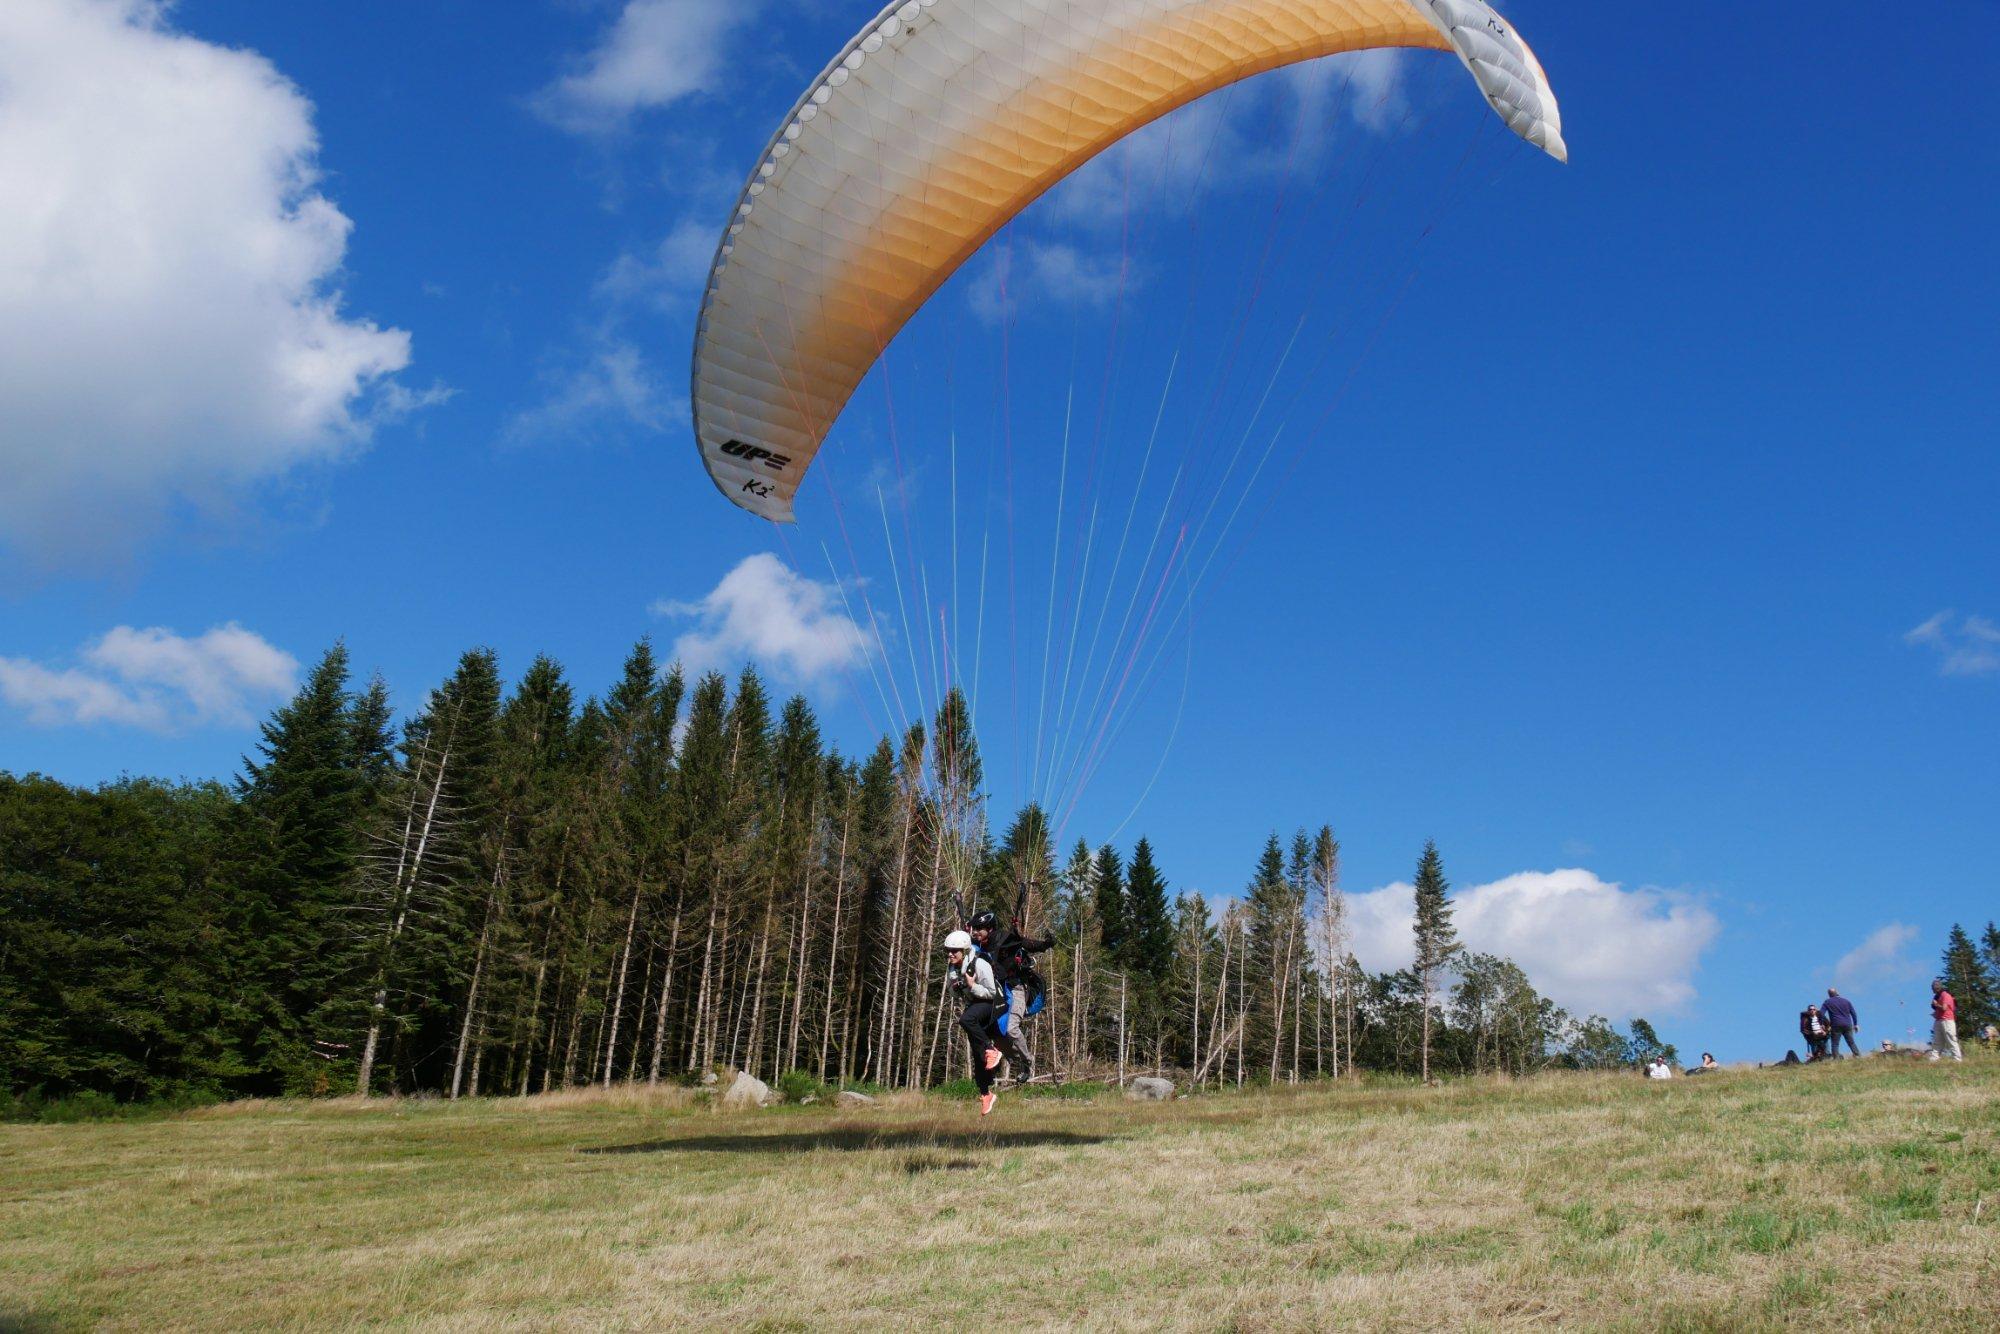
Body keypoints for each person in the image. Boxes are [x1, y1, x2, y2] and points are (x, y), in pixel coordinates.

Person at [967, 908, 1052, 1082]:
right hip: (997, 992)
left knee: (1012, 1029)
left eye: (979, 929)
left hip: (1016, 988)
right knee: (997, 1034)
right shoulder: (978, 945)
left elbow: (1024, 943)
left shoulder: (1004, 938)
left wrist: (1045, 944)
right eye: (974, 929)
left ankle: (1027, 1061)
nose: (976, 932)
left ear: (990, 928)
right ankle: (1013, 1059)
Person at [943, 930, 1005, 1115]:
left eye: (954, 951)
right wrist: (956, 985)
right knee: (978, 1055)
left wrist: (971, 985)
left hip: (991, 1004)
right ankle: (986, 1094)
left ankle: (992, 1050)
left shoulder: (979, 964)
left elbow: (992, 993)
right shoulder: (953, 968)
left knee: (966, 1019)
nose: (950, 954)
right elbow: (954, 994)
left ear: (964, 950)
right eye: (948, 950)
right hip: (974, 1006)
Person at [1928, 979, 1963, 1063]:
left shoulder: (1945, 995)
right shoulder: (1937, 996)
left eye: (1933, 988)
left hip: (1947, 1020)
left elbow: (1944, 1008)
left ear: (1937, 987)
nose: (1932, 990)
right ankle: (1933, 1059)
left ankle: (1957, 1060)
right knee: (1937, 1041)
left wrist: (1936, 1004)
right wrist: (1935, 1009)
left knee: (1951, 1040)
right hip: (1939, 1020)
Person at [1821, 989, 1860, 1058]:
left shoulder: (1827, 1002)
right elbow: (1853, 1013)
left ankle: (1836, 1059)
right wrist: (1855, 1024)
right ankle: (1857, 1055)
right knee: (1851, 1042)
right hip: (1847, 1024)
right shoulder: (1846, 1001)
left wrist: (1822, 1023)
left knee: (1835, 1044)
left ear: (1829, 994)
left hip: (1835, 1025)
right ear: (1837, 993)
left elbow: (1821, 1013)